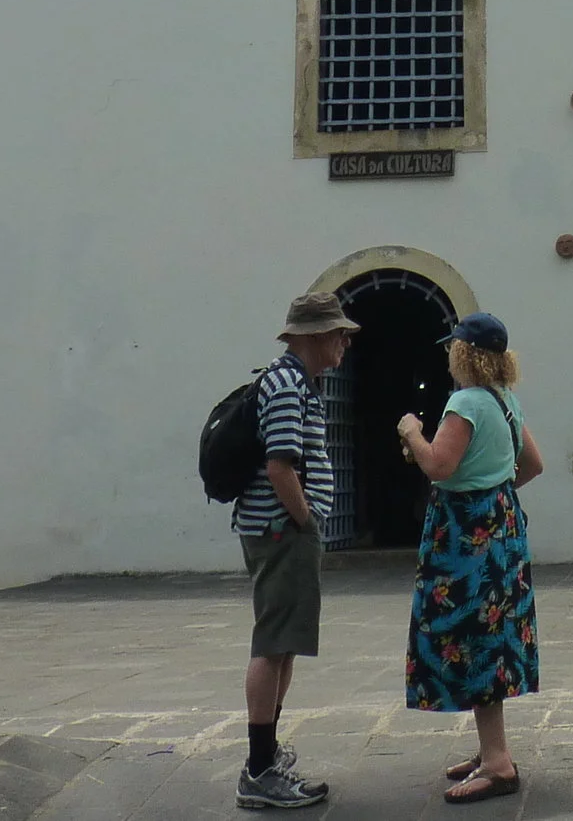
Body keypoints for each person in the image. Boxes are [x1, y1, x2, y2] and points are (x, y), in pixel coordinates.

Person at [396, 310, 544, 806]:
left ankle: (498, 762)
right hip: (501, 525)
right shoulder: (506, 402)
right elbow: (534, 464)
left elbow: (439, 465)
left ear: (463, 353)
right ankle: (490, 750)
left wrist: (412, 431)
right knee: (493, 635)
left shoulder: (464, 402)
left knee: (468, 635)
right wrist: (495, 490)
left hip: (463, 534)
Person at [233, 291, 359, 811]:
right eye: (337, 333)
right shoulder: (287, 385)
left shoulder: (290, 381)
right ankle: (259, 769)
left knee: (282, 642)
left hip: (281, 529)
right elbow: (280, 466)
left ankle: (265, 755)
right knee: (272, 643)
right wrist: (306, 520)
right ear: (312, 337)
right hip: (282, 530)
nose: (344, 343)